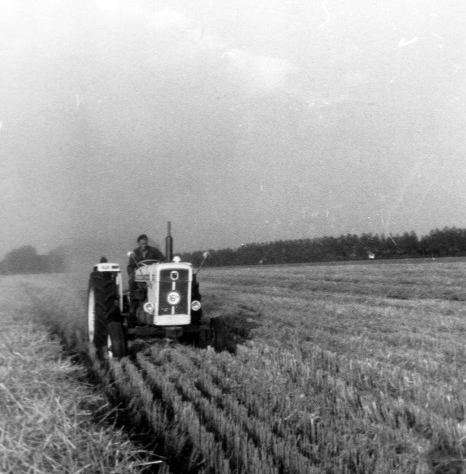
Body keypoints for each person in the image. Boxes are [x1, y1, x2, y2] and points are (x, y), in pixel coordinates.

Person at [127, 234, 165, 307]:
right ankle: (133, 301)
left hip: (153, 273)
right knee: (131, 280)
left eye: (145, 243)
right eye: (142, 244)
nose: (144, 245)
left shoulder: (154, 251)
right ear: (138, 243)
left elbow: (163, 259)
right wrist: (131, 273)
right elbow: (131, 266)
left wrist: (160, 262)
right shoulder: (135, 253)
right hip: (140, 274)